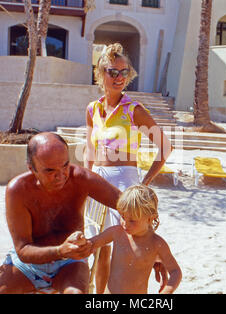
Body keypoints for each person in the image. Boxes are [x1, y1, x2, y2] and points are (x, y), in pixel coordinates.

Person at [0, 132, 123, 294]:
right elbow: (23, 250)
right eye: (50, 171)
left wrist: (154, 249)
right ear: (32, 169)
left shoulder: (80, 178)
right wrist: (59, 250)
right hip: (28, 265)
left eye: (65, 165)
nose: (61, 175)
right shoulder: (18, 190)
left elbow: (130, 203)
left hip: (70, 262)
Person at [85, 43, 173, 293]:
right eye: (113, 71)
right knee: (100, 248)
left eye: (124, 73)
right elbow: (89, 151)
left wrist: (143, 185)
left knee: (130, 248)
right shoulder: (93, 109)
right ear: (101, 73)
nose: (119, 78)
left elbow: (165, 147)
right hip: (97, 181)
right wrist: (85, 181)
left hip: (125, 181)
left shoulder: (134, 111)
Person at [82, 185, 182, 294]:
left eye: (132, 221)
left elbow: (175, 271)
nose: (125, 224)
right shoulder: (116, 232)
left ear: (150, 218)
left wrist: (167, 291)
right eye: (123, 217)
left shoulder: (156, 244)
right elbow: (92, 242)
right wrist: (83, 243)